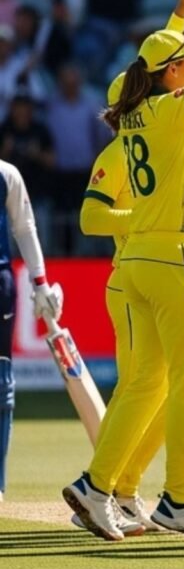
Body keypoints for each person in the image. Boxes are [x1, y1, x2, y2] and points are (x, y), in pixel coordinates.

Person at [62, 0, 184, 542]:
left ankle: (97, 487)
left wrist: (182, 13)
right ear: (171, 74)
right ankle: (181, 501)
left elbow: (152, 68)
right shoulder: (170, 110)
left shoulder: (140, 112)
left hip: (140, 260)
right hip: (174, 258)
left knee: (145, 381)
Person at [0, 159, 63, 504]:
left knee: (1, 384)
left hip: (0, 284)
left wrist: (40, 284)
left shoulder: (6, 174)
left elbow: (24, 228)